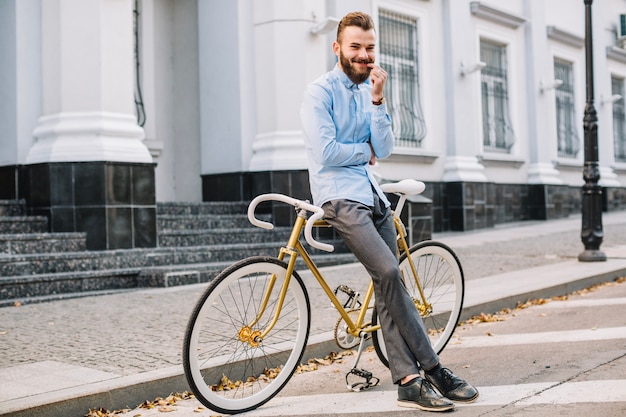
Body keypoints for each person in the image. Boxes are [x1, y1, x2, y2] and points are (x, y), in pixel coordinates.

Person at [300, 11, 479, 412]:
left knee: (387, 286)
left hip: (373, 195)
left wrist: (379, 100)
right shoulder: (319, 92)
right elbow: (326, 152)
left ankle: (408, 381)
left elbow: (386, 146)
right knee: (390, 272)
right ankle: (434, 368)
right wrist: (364, 153)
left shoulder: (370, 91)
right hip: (340, 198)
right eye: (356, 48)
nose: (364, 56)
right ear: (338, 48)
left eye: (369, 48)